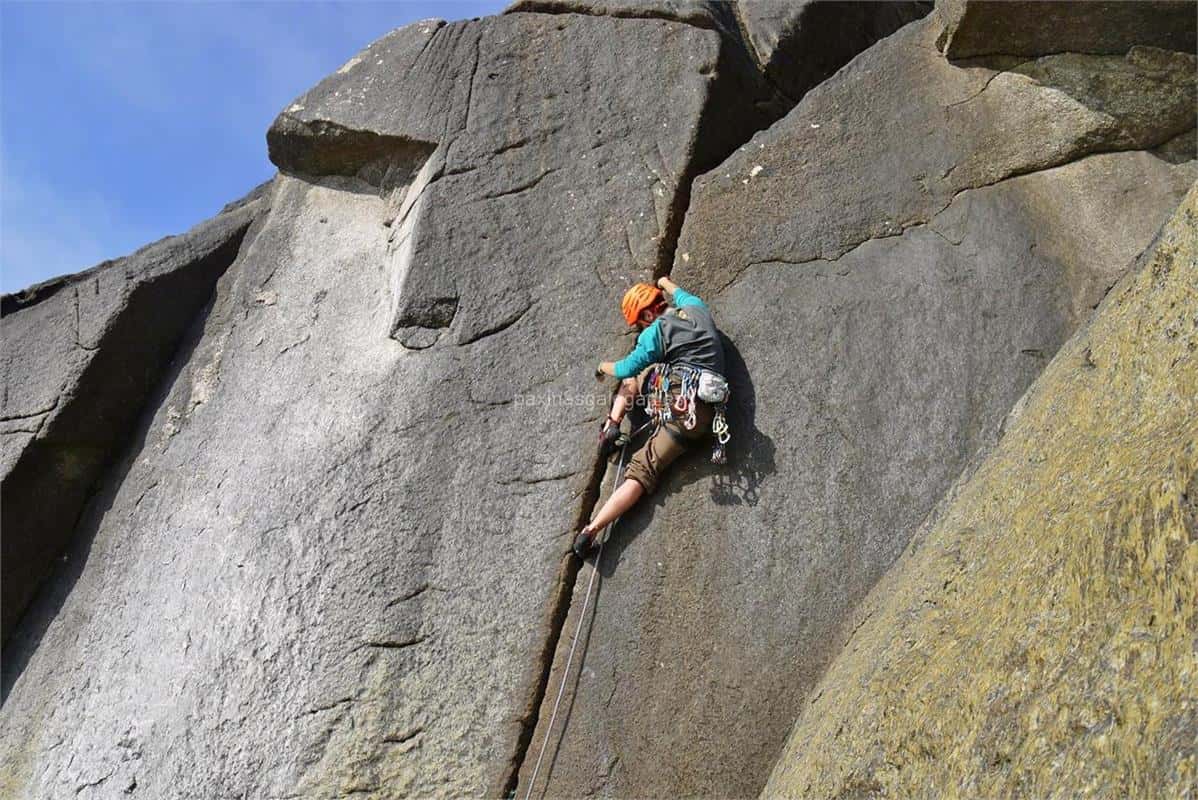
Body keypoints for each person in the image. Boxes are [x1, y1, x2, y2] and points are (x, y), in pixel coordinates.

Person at [574, 276, 727, 558]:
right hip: (701, 418)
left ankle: (611, 427)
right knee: (648, 467)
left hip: (677, 399)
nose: (640, 329)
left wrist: (600, 366)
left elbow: (623, 368)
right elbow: (680, 294)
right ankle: (591, 531)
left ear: (647, 314)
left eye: (639, 323)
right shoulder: (697, 310)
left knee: (637, 376)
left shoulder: (655, 332)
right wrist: (664, 281)